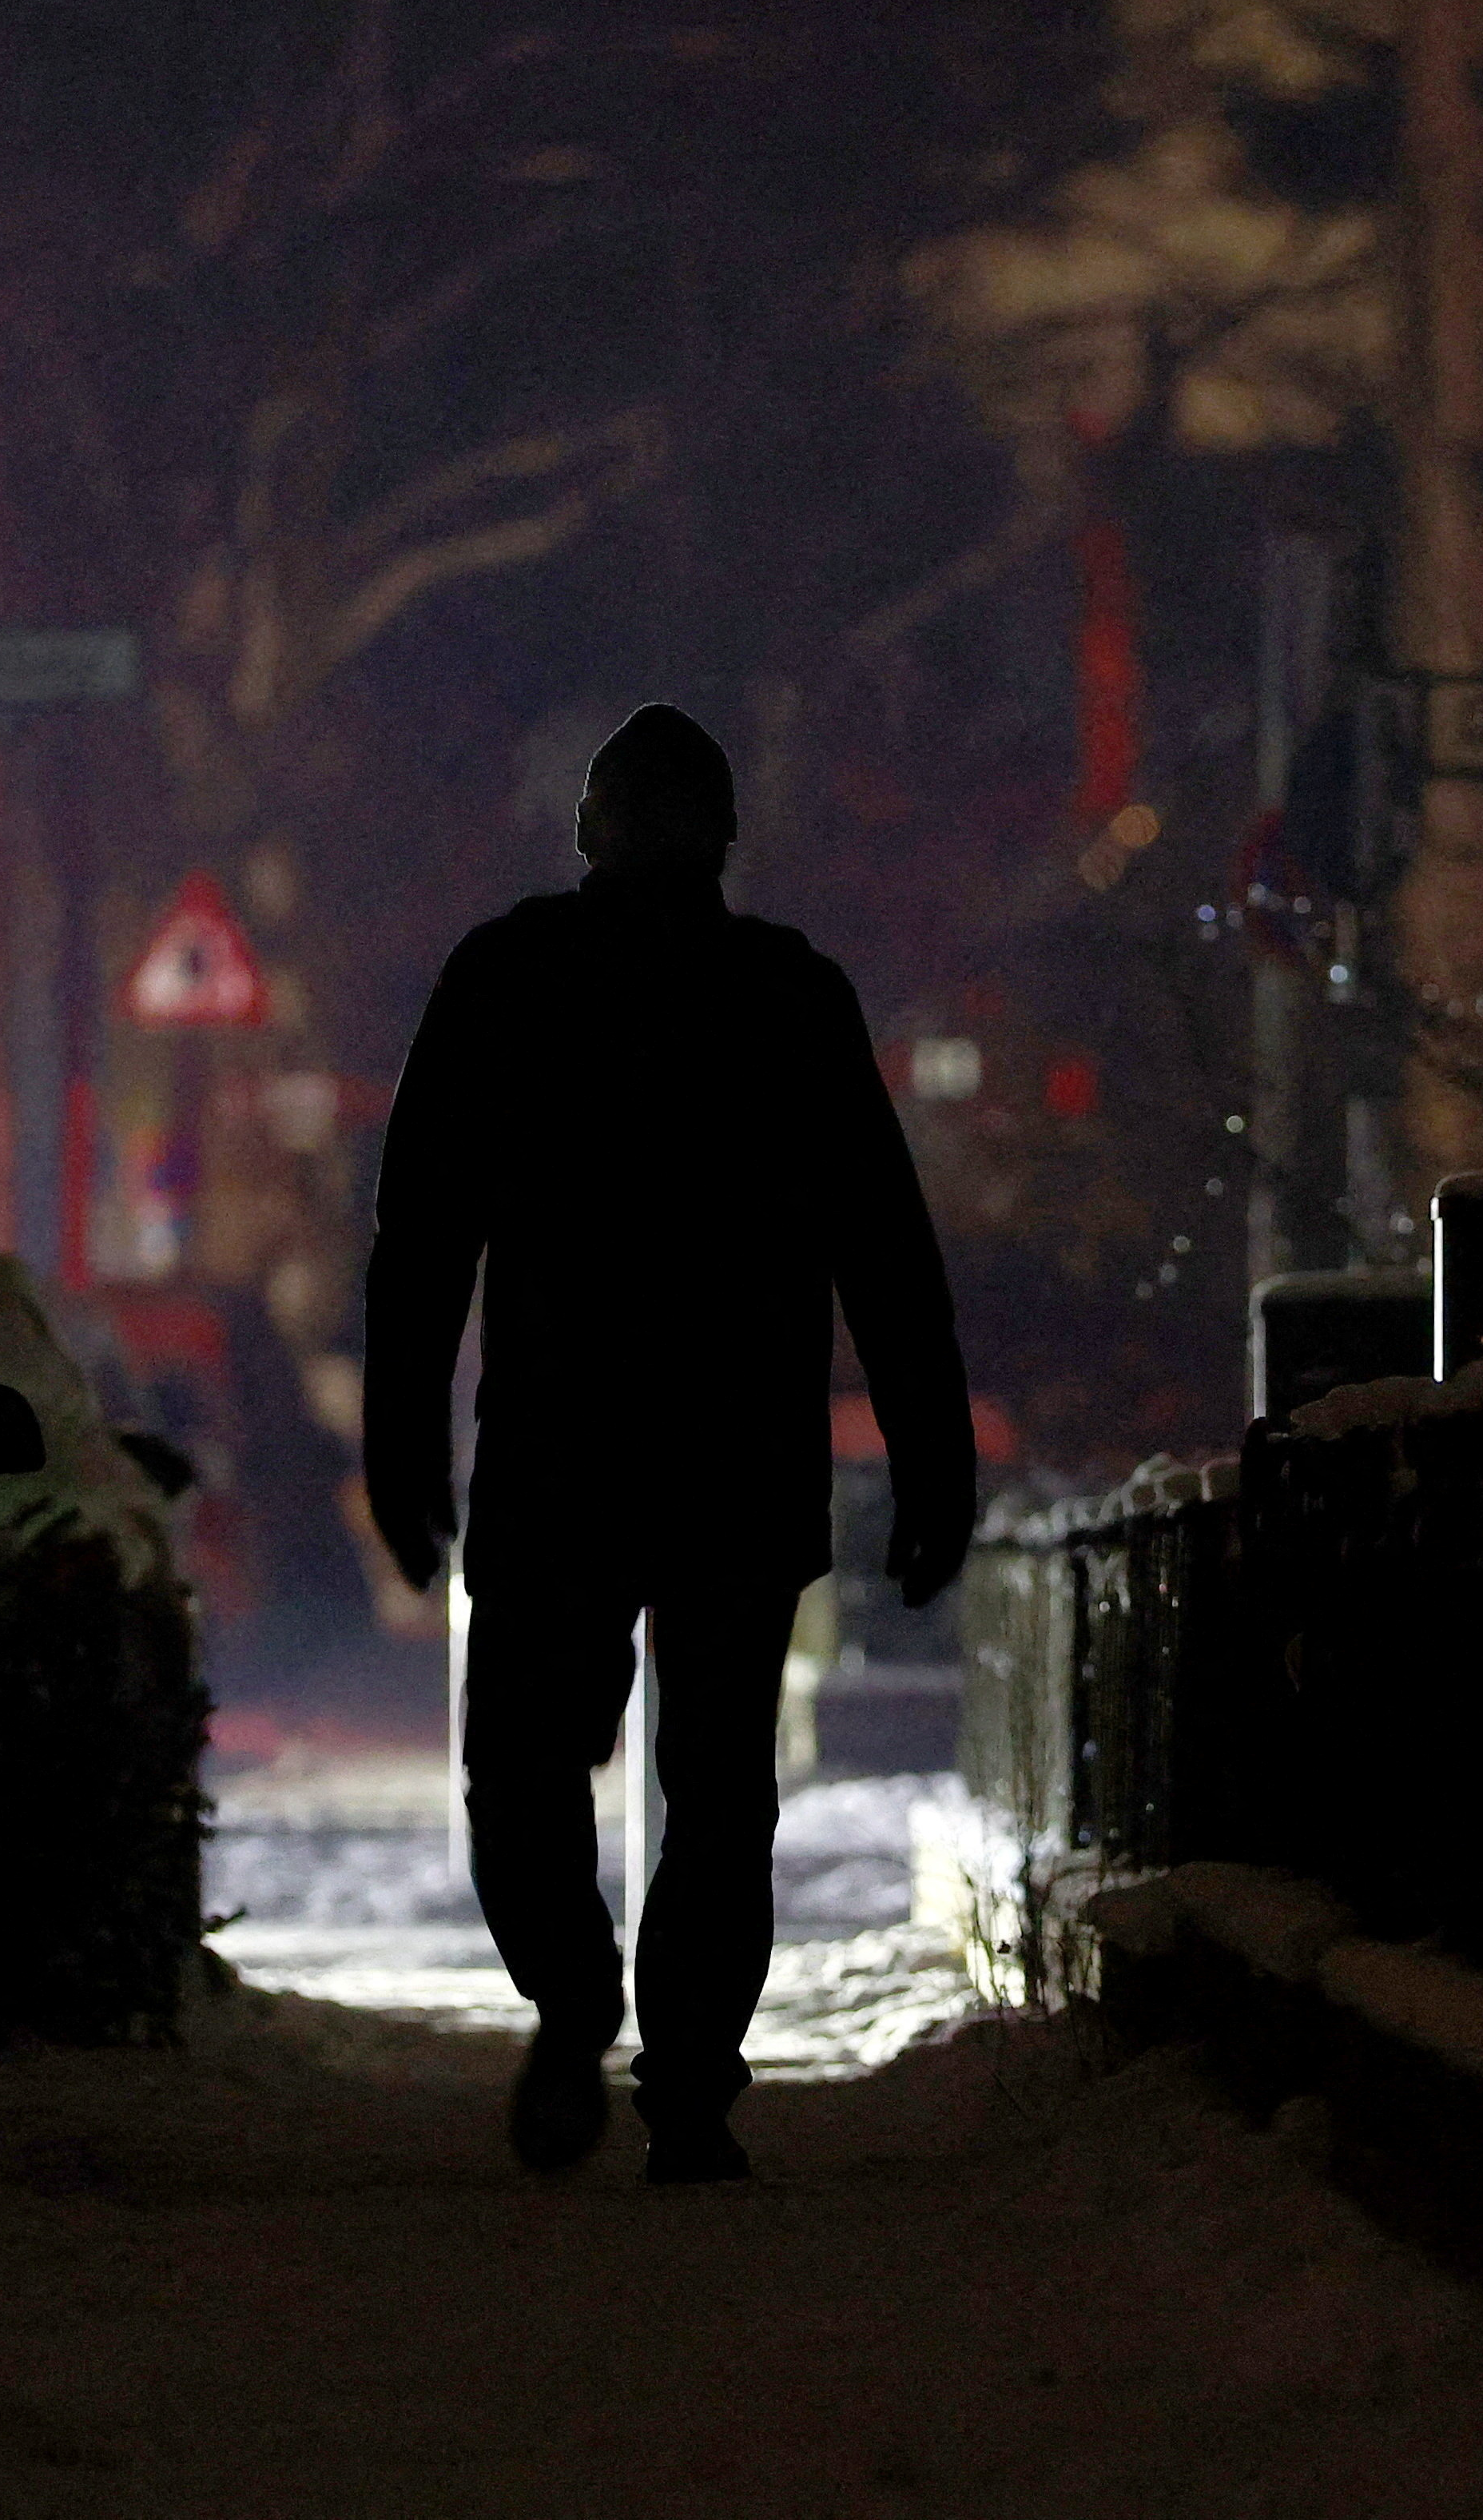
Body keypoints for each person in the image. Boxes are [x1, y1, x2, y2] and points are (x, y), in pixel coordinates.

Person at [364, 702, 973, 2184]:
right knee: (719, 1787)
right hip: (735, 1466)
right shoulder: (790, 999)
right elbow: (885, 1249)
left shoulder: (507, 982)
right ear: (724, 839)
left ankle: (574, 1997)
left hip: (557, 1460)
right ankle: (689, 2079)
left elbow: (423, 1240)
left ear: (590, 834)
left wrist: (402, 1450)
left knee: (521, 1758)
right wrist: (931, 1456)